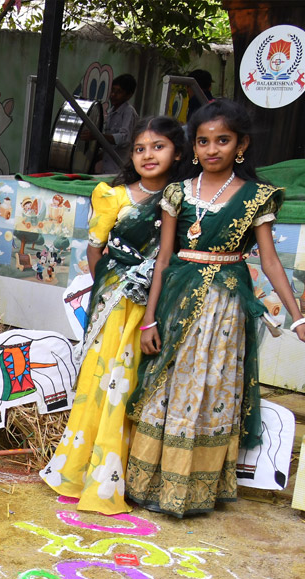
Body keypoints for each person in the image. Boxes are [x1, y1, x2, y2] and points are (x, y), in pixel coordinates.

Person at [127, 98, 305, 517]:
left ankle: (191, 491)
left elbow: (270, 261)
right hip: (175, 302)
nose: (212, 149)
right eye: (203, 141)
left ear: (240, 144)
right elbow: (164, 258)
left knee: (210, 388)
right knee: (167, 389)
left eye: (222, 140)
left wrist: (298, 316)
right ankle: (149, 482)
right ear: (193, 147)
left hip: (224, 309)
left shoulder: (257, 197)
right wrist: (149, 318)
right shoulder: (177, 192)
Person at [41, 116, 186, 514]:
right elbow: (94, 249)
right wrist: (115, 280)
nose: (148, 155)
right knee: (108, 382)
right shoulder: (113, 195)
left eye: (158, 147)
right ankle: (90, 476)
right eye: (140, 148)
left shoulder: (181, 199)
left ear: (177, 152)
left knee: (140, 385)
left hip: (158, 304)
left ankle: (135, 477)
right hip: (116, 305)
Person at [99, 74, 138, 175]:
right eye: (112, 91)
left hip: (119, 169)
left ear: (128, 95)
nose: (113, 95)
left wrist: (98, 136)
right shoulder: (111, 111)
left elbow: (124, 138)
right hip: (107, 168)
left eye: (118, 92)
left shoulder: (128, 112)